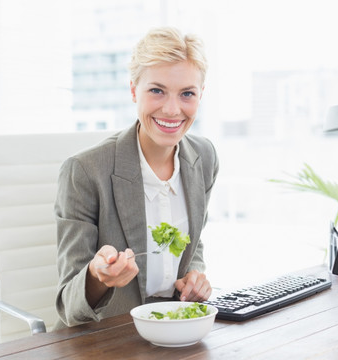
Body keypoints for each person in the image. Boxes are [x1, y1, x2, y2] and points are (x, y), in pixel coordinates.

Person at [54, 26, 219, 328]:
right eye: (156, 90)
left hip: (176, 329)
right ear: (133, 91)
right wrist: (97, 276)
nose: (172, 110)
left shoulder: (204, 158)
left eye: (187, 94)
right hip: (107, 337)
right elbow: (68, 305)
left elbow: (193, 246)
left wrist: (194, 277)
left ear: (200, 95)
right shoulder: (85, 172)